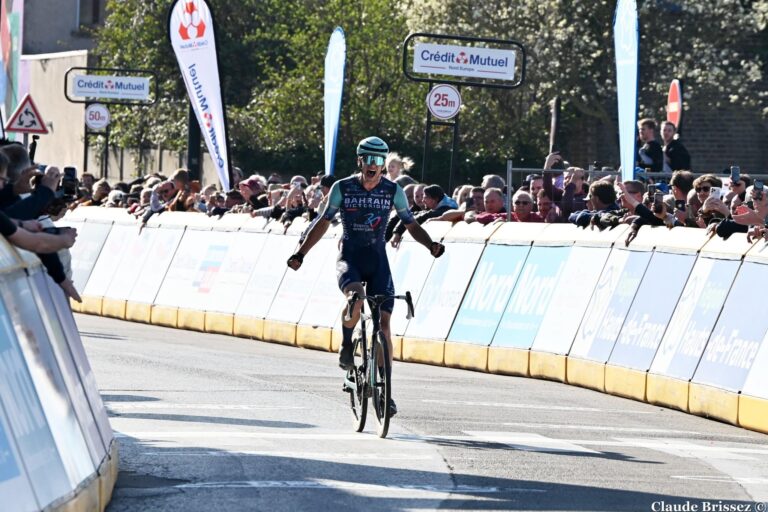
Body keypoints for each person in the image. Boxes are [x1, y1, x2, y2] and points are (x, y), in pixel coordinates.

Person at [286, 136, 445, 417]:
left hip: (378, 260)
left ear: (383, 164)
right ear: (359, 161)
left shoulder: (393, 190)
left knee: (384, 323)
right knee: (356, 298)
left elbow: (410, 223)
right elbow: (322, 223)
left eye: (377, 161)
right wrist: (300, 253)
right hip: (351, 258)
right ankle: (347, 344)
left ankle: (387, 391)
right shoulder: (342, 187)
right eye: (367, 160)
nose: (372, 166)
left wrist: (430, 244)